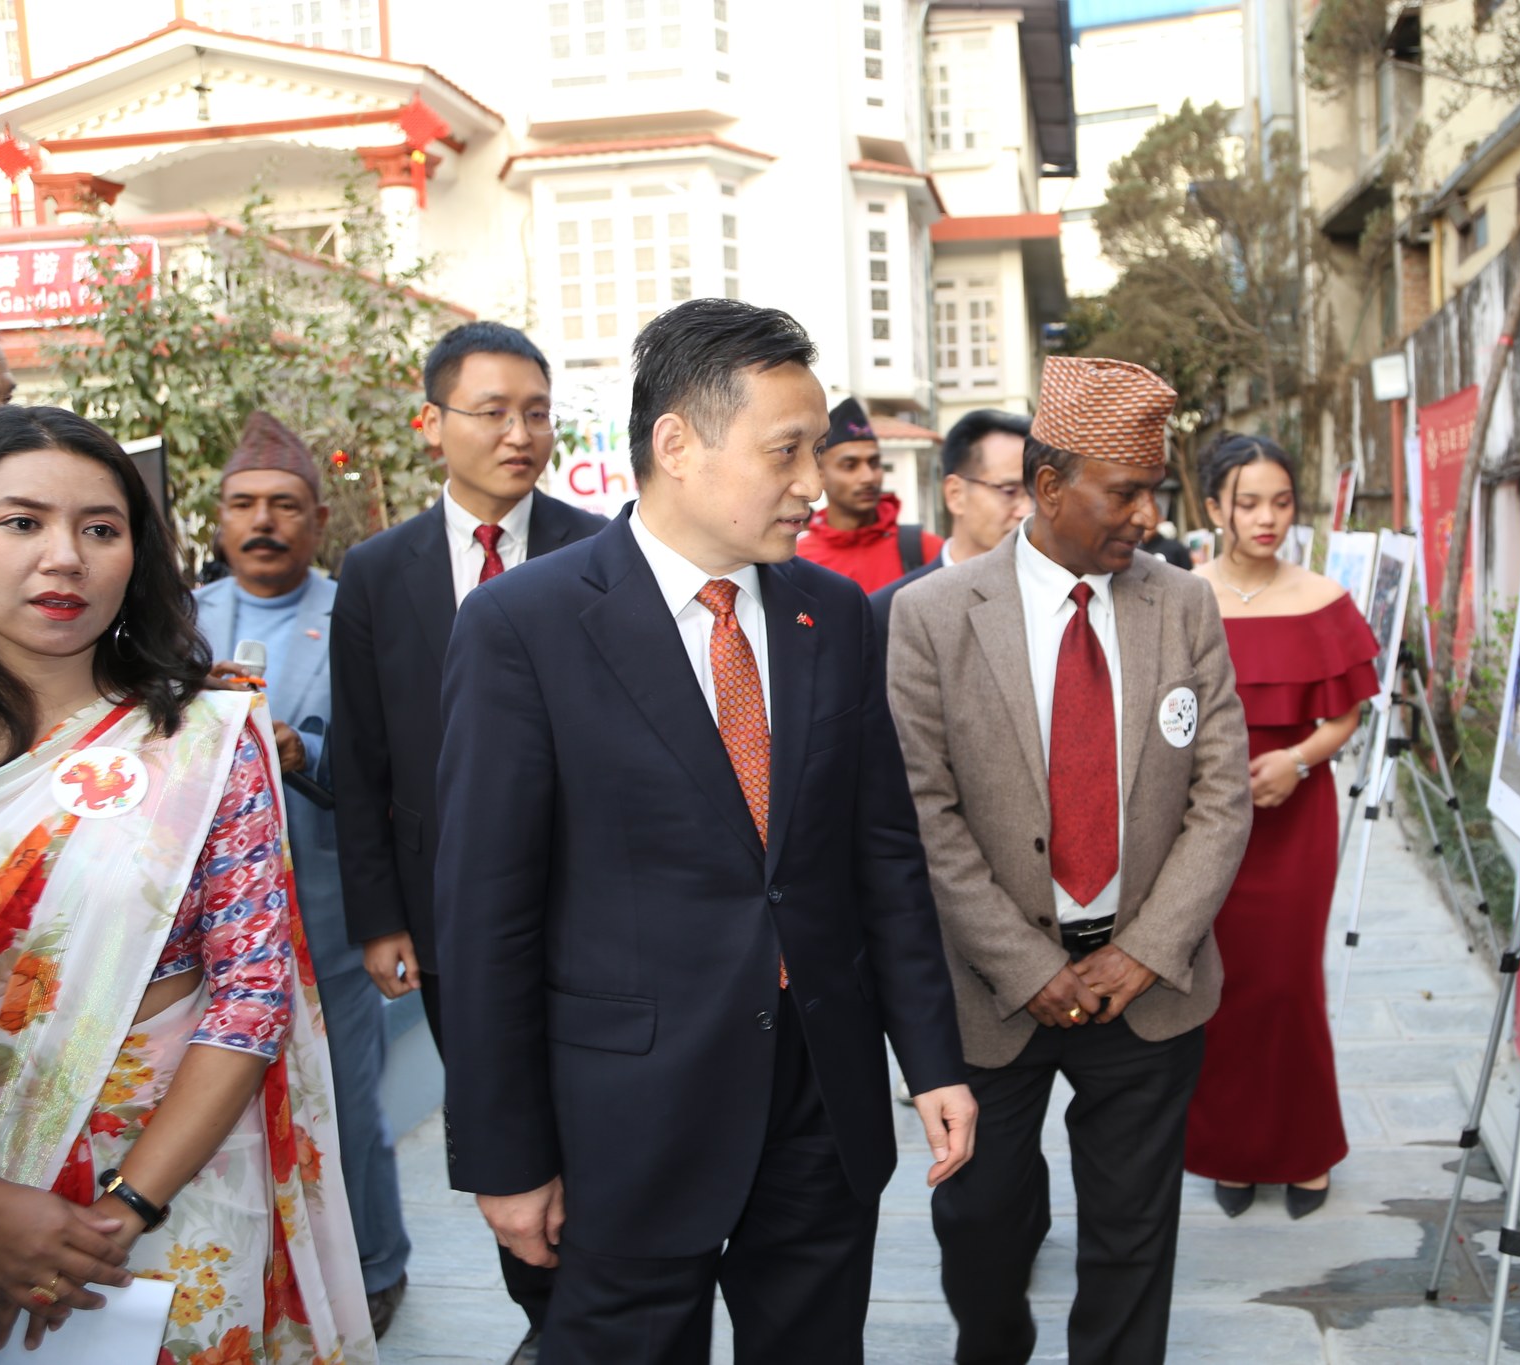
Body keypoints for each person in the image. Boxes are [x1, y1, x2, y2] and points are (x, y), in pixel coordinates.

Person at [433, 298, 976, 1365]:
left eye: (815, 452)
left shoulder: (830, 615)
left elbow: (880, 856)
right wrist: (504, 1155)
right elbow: (483, 915)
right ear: (676, 444)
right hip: (625, 1114)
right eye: (785, 452)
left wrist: (931, 1060)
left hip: (817, 1093)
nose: (813, 484)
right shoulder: (524, 627)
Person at [886, 355, 1253, 1365]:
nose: (1145, 515)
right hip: (988, 995)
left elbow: (1221, 798)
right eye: (1125, 491)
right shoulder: (929, 616)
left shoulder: (1180, 607)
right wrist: (1028, 967)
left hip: (1146, 988)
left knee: (1131, 1241)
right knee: (983, 1234)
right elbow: (926, 815)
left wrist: (1142, 951)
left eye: (1153, 492)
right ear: (1047, 486)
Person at [0, 405, 373, 1362]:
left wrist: (123, 1211)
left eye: (102, 528)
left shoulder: (205, 739)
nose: (66, 557)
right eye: (22, 522)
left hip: (176, 1193)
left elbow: (250, 994)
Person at [330, 320, 604, 1365]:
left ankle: (599, 1315)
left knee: (594, 1116)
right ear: (432, 423)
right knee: (501, 1122)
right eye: (492, 411)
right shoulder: (378, 571)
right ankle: (546, 1322)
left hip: (591, 904)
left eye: (535, 412)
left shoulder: (601, 547)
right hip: (444, 917)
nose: (519, 433)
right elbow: (363, 761)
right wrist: (379, 917)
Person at [194, 412, 412, 1330]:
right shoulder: (182, 617)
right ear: (218, 520)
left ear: (320, 519)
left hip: (324, 895)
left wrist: (301, 750)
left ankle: (374, 1263)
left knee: (347, 1098)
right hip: (210, 908)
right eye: (243, 504)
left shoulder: (352, 612)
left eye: (285, 505)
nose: (263, 522)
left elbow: (387, 756)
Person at [1183, 434, 1379, 1219]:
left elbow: (1346, 715)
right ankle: (1233, 1150)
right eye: (1249, 501)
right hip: (1204, 819)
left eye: (1282, 501)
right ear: (1213, 507)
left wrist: (1297, 759)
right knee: (1220, 983)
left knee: (1290, 981)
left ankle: (1304, 1150)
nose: (1267, 518)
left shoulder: (1322, 598)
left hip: (1296, 814)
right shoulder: (1180, 593)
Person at [869, 408, 1032, 646]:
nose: (1026, 510)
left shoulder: (1059, 599)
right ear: (955, 494)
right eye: (1009, 491)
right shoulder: (891, 612)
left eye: (1036, 493)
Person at [797, 395, 942, 591]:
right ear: (820, 475)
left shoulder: (926, 550)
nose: (868, 477)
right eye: (850, 465)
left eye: (874, 463)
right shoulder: (797, 561)